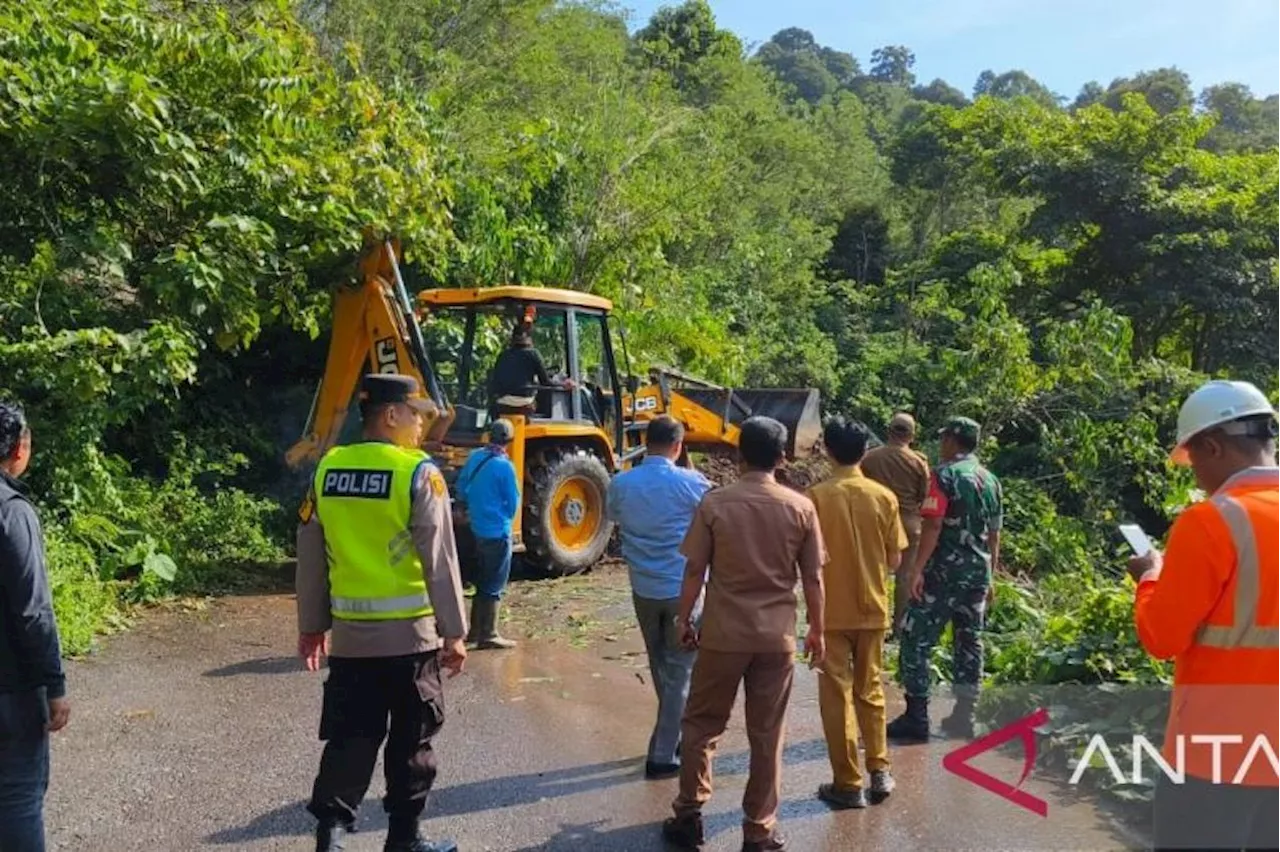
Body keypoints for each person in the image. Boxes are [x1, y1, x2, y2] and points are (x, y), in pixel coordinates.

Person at [296, 374, 469, 852]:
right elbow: (439, 558)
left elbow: (310, 551)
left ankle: (329, 839)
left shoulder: (327, 470)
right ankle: (404, 841)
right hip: (411, 641)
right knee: (411, 743)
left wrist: (313, 626)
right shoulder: (418, 473)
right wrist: (455, 632)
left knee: (350, 738)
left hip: (351, 642)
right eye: (415, 414)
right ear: (391, 415)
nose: (420, 426)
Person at [1127, 379, 1280, 850]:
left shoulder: (1210, 521)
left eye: (1193, 461)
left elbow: (1162, 637)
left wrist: (1151, 577)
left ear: (1212, 446)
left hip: (1215, 751)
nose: (1194, 476)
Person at [663, 416, 827, 852]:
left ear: (738, 456)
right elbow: (812, 578)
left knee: (701, 725)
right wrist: (818, 631)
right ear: (782, 457)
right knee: (767, 735)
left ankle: (689, 814)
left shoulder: (716, 504)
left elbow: (695, 568)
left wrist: (684, 619)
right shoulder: (801, 507)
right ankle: (759, 830)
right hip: (777, 640)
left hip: (721, 635)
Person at [807, 417, 907, 809]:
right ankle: (879, 770)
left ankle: (847, 783)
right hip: (873, 607)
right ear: (865, 451)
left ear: (827, 451)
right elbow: (895, 560)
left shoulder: (814, 498)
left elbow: (807, 560)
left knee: (836, 695)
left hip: (830, 610)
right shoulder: (884, 497)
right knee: (872, 690)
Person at [605, 415, 713, 779]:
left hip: (643, 588)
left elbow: (612, 516)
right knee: (682, 670)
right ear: (679, 446)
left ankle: (673, 729)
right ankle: (663, 753)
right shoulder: (692, 483)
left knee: (660, 663)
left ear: (644, 441)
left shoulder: (621, 483)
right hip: (683, 590)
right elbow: (715, 515)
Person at [888, 416, 1002, 742]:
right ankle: (965, 716)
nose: (941, 445)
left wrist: (916, 569)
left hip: (943, 574)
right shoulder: (990, 480)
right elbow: (994, 533)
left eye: (944, 439)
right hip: (978, 574)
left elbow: (934, 525)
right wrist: (990, 574)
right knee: (969, 643)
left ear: (953, 441)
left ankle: (917, 716)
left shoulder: (944, 476)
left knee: (915, 638)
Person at [0, 401, 69, 852]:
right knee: (19, 796)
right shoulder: (12, 512)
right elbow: (33, 611)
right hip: (11, 689)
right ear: (19, 447)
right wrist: (55, 684)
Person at [859, 412, 930, 636]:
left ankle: (869, 624)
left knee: (872, 572)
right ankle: (900, 628)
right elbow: (925, 496)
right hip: (909, 523)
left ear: (889, 431)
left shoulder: (870, 458)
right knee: (905, 576)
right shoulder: (919, 462)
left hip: (876, 521)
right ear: (912, 435)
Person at [455, 418, 521, 650]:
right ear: (509, 441)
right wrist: (505, 519)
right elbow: (513, 502)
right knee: (494, 582)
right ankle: (490, 633)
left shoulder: (475, 457)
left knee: (483, 577)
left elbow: (462, 486)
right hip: (497, 530)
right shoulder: (505, 466)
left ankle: (474, 632)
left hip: (477, 528)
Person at [487, 324, 574, 415]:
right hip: (525, 402)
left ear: (512, 338)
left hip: (503, 403)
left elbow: (495, 382)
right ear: (529, 338)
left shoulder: (503, 355)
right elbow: (545, 382)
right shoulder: (533, 354)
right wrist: (563, 384)